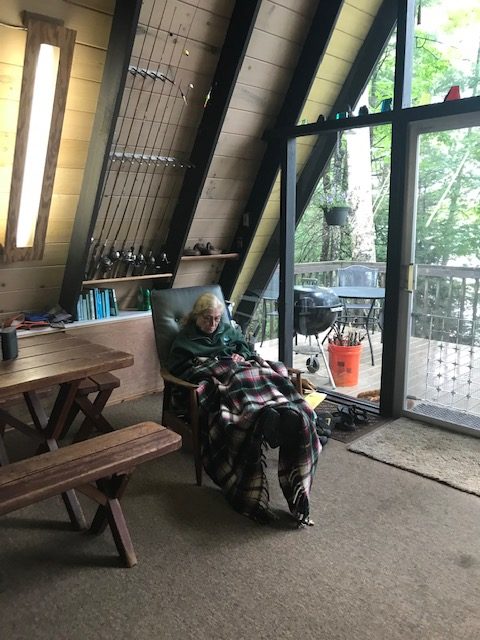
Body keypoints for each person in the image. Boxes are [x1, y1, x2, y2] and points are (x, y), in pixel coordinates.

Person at [167, 292, 322, 526]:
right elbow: (178, 369)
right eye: (208, 319)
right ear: (196, 317)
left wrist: (242, 355)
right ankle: (263, 416)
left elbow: (250, 352)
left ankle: (281, 411)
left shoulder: (227, 331)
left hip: (242, 368)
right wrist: (206, 364)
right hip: (220, 374)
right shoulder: (184, 340)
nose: (213, 324)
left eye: (218, 319)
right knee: (237, 384)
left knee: (268, 374)